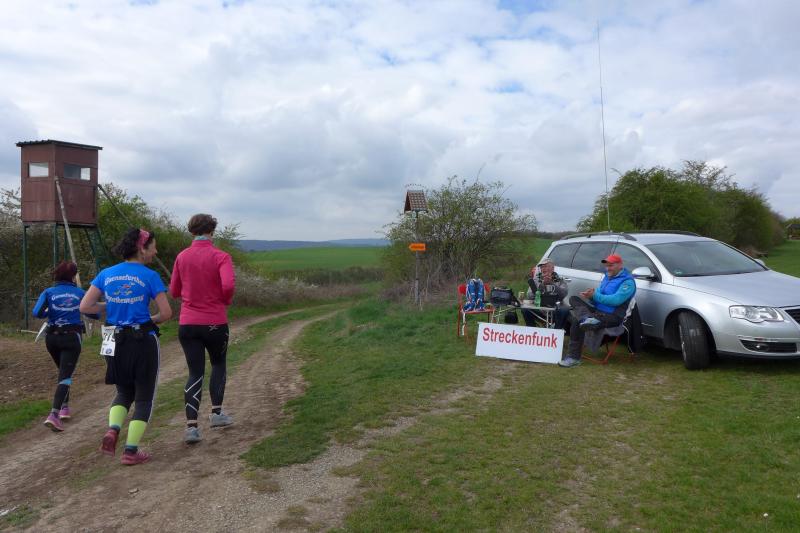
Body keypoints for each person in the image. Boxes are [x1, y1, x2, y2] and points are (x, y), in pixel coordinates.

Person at [80, 228, 172, 465]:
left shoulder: (106, 274)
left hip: (111, 337)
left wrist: (109, 305)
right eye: (153, 247)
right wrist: (150, 320)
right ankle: (130, 451)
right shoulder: (150, 276)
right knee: (144, 397)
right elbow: (166, 313)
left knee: (123, 391)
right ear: (142, 248)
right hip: (141, 338)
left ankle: (113, 429)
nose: (155, 252)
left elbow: (85, 307)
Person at [169, 214, 236, 444]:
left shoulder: (181, 257)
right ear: (212, 231)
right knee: (218, 364)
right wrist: (225, 300)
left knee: (194, 372)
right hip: (215, 321)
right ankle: (216, 414)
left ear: (191, 231)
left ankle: (191, 427)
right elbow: (228, 284)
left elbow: (174, 291)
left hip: (188, 323)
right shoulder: (221, 256)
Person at [33, 261, 99, 432]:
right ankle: (54, 415)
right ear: (73, 276)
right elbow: (96, 314)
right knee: (65, 375)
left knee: (63, 372)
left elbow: (36, 313)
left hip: (52, 338)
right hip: (71, 338)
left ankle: (64, 408)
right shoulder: (81, 293)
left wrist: (51, 311)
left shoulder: (48, 292)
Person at [558, 253, 636, 368]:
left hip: (613, 316)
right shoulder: (607, 277)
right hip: (597, 312)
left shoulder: (628, 282)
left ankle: (573, 358)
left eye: (611, 265)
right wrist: (591, 297)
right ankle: (586, 318)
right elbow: (598, 299)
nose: (608, 268)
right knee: (573, 299)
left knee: (576, 321)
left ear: (620, 265)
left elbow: (616, 300)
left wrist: (595, 296)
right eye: (607, 266)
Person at [521, 257, 569, 330]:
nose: (544, 269)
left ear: (553, 268)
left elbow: (563, 294)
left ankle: (555, 333)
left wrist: (552, 284)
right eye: (542, 267)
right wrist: (542, 286)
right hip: (540, 308)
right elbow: (529, 296)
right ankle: (532, 331)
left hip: (555, 309)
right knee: (525, 309)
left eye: (546, 266)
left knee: (564, 310)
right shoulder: (536, 280)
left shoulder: (560, 280)